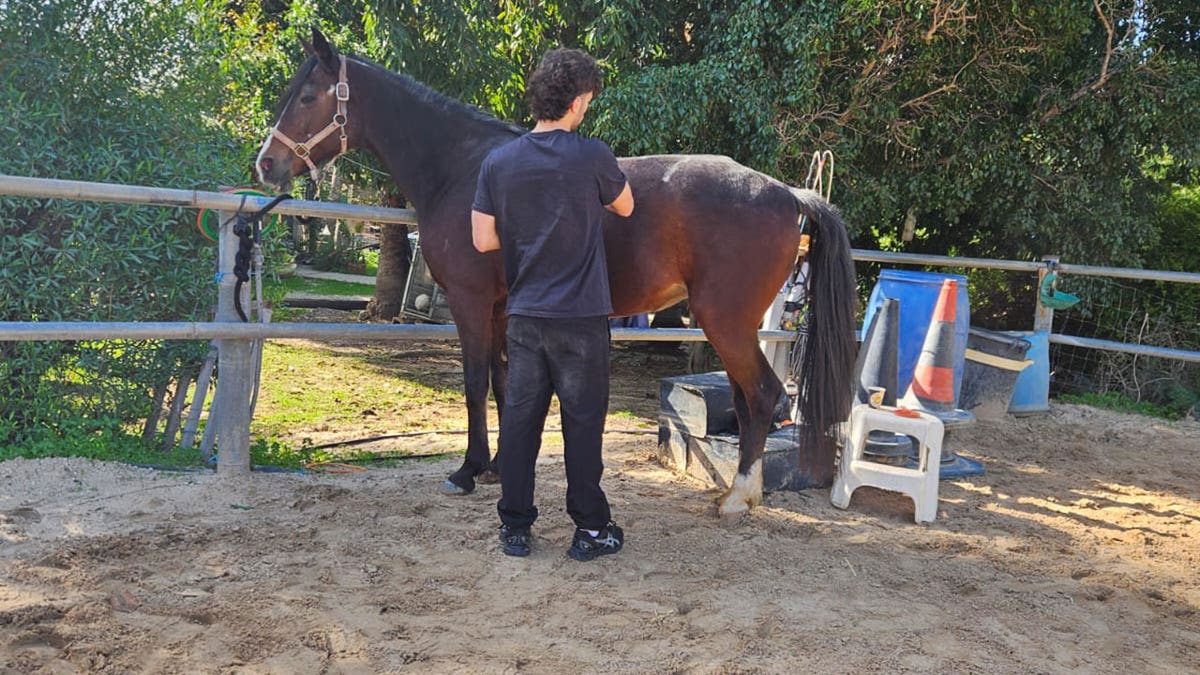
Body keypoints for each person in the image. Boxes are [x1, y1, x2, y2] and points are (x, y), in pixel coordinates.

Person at [471, 48, 634, 561]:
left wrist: (529, 230)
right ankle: (590, 530)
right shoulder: (592, 155)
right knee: (582, 425)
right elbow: (626, 205)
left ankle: (516, 528)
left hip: (525, 317)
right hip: (581, 318)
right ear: (579, 100)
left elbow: (482, 239)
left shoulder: (498, 162)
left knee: (520, 424)